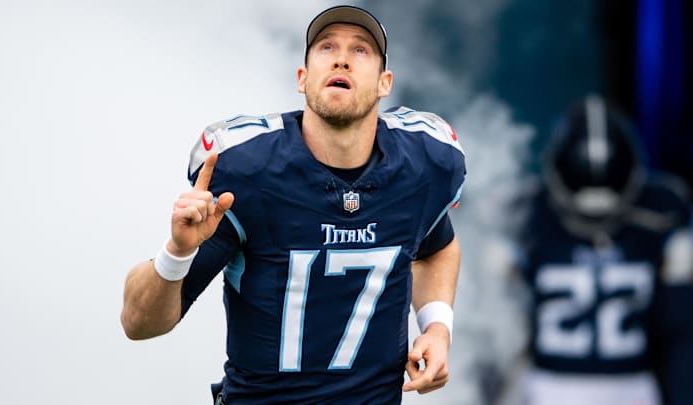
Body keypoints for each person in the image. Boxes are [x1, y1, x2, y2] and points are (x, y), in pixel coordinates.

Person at [120, 5, 467, 404]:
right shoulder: (249, 174)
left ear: (384, 83)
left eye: (360, 51)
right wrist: (177, 251)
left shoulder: (422, 165)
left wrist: (437, 327)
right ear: (303, 79)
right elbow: (137, 323)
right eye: (326, 47)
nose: (341, 57)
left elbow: (436, 247)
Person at [489, 95, 693, 405]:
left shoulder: (524, 211)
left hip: (572, 388)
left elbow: (680, 324)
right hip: (603, 388)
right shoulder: (663, 209)